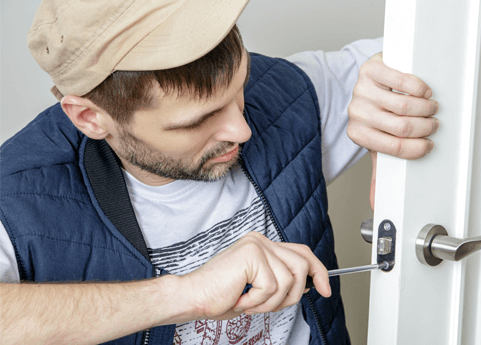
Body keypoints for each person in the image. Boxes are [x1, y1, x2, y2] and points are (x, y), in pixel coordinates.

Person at [0, 1, 439, 344]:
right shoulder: (18, 199)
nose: (242, 130)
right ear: (89, 118)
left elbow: (446, 40)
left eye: (239, 90)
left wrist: (386, 94)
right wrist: (185, 295)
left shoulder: (288, 92)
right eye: (196, 121)